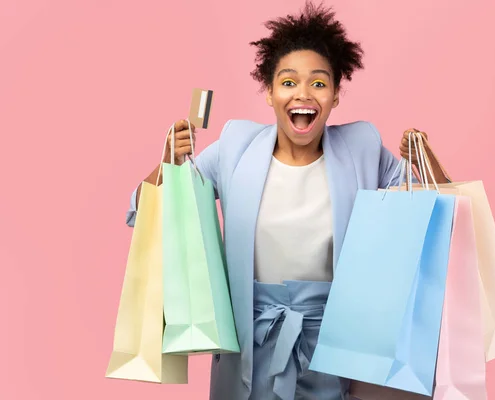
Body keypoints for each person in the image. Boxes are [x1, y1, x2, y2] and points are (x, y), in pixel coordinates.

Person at [126, 2, 450, 399]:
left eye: (318, 83)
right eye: (288, 81)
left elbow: (437, 211)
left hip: (339, 351)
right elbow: (145, 210)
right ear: (269, 93)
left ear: (335, 95)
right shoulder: (234, 146)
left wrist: (423, 155)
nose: (303, 94)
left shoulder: (362, 146)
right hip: (251, 348)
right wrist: (169, 162)